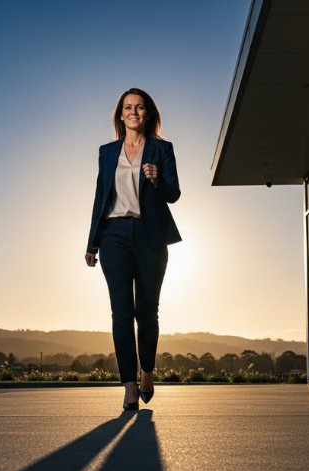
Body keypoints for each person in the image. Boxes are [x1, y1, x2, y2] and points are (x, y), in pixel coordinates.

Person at [85, 88, 182, 411]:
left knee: (147, 312)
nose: (133, 112)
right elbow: (100, 197)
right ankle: (128, 385)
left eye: (139, 107)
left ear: (148, 113)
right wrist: (92, 243)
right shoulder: (106, 151)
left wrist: (157, 180)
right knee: (121, 314)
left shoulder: (162, 149)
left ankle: (147, 371)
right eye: (128, 107)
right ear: (120, 114)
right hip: (113, 234)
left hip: (149, 235)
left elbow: (174, 194)